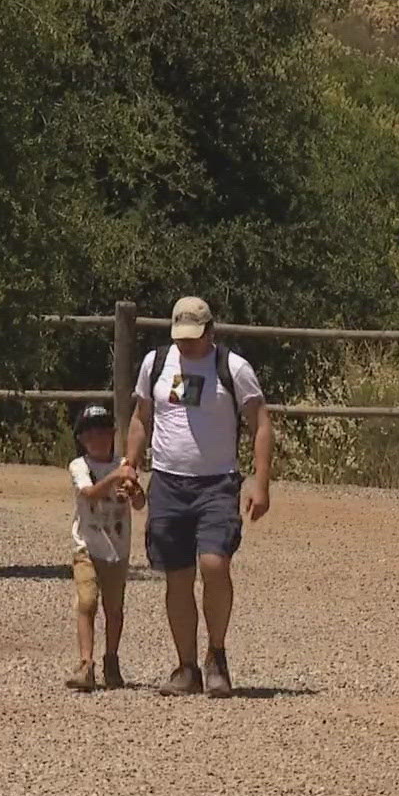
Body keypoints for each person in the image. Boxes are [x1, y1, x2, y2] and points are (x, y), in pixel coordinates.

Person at [105, 295, 273, 698]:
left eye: (194, 337)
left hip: (217, 484)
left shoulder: (233, 368)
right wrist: (131, 462)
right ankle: (186, 667)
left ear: (211, 331)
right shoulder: (156, 363)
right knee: (177, 577)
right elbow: (142, 418)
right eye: (180, 337)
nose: (186, 344)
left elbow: (260, 423)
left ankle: (217, 655)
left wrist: (260, 481)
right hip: (168, 484)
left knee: (214, 564)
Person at [66, 405, 143, 691]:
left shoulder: (124, 464)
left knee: (114, 608)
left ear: (113, 434)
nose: (97, 439)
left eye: (103, 432)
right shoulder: (80, 466)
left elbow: (139, 503)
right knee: (87, 602)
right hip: (86, 546)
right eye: (91, 434)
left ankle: (112, 658)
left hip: (117, 549)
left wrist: (133, 490)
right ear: (82, 439)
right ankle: (86, 662)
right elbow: (89, 493)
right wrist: (116, 477)